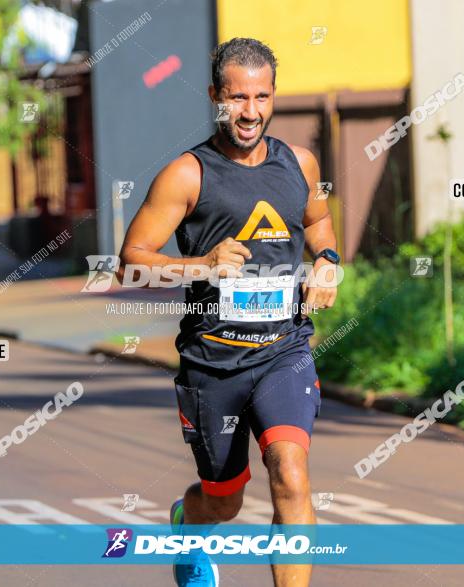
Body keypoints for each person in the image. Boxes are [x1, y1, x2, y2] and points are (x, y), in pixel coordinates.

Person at [119, 38, 340, 587]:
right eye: (237, 97)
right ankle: (185, 526)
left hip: (282, 352)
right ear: (215, 95)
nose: (250, 111)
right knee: (223, 502)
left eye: (261, 97)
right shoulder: (188, 174)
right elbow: (131, 263)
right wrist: (203, 265)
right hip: (212, 363)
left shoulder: (299, 164)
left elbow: (317, 224)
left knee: (291, 476)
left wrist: (329, 262)